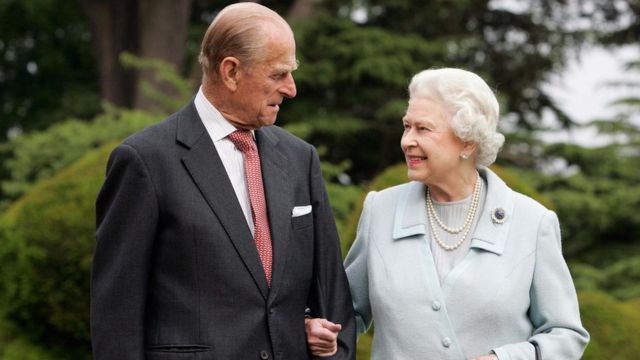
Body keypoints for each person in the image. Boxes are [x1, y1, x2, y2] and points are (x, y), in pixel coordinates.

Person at [91, 3, 355, 359]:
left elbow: (333, 300)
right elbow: (116, 316)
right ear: (231, 71)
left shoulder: (300, 159)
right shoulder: (144, 161)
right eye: (278, 75)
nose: (291, 89)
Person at [306, 68, 589, 359]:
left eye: (423, 129)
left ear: (468, 142)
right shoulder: (381, 210)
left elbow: (566, 334)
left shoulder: (533, 222)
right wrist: (319, 331)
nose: (407, 141)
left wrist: (505, 359)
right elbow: (343, 313)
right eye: (407, 126)